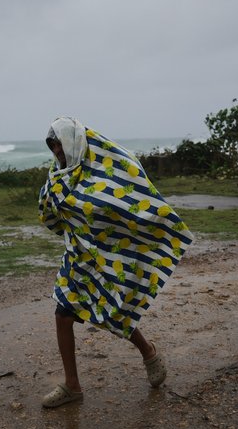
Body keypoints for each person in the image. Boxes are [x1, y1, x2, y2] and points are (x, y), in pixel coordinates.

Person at [37, 116, 194, 408]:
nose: (56, 150)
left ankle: (148, 352)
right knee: (62, 314)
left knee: (113, 311)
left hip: (107, 256)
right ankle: (72, 386)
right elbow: (50, 212)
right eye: (52, 145)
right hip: (77, 257)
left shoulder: (105, 171)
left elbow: (128, 200)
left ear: (73, 140)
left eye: (60, 143)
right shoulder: (57, 175)